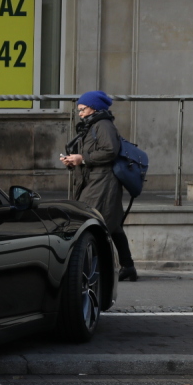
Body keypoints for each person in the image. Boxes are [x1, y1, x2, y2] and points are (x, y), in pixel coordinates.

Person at [60, 90, 138, 282]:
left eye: (83, 109)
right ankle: (128, 267)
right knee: (113, 226)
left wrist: (82, 159)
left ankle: (95, 270)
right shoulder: (91, 125)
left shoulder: (103, 125)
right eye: (78, 109)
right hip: (96, 180)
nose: (80, 113)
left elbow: (110, 151)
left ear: (94, 108)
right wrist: (74, 161)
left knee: (93, 223)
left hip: (103, 183)